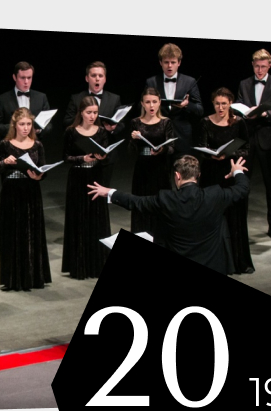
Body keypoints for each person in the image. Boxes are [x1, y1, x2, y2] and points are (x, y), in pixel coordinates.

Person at [88, 156, 250, 275]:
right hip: (213, 266)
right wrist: (237, 171)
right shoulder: (215, 195)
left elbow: (136, 202)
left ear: (177, 176)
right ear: (198, 175)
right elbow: (242, 189)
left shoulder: (166, 199)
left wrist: (110, 192)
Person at [0, 108, 51, 291]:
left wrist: (39, 176)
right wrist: (4, 162)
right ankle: (13, 279)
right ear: (14, 125)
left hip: (31, 192)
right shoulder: (5, 145)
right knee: (12, 234)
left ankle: (34, 277)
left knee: (32, 233)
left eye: (28, 124)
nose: (25, 128)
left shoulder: (37, 145)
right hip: (11, 193)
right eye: (22, 124)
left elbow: (43, 169)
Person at [198, 87, 254, 274]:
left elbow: (246, 148)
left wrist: (228, 154)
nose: (220, 107)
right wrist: (212, 155)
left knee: (234, 214)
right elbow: (201, 147)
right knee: (212, 214)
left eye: (224, 104)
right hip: (211, 173)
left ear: (230, 103)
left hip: (231, 171)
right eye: (217, 104)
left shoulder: (239, 122)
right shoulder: (205, 122)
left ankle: (239, 261)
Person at [236, 49, 271, 240]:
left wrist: (265, 113)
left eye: (263, 67)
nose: (259, 70)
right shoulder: (244, 84)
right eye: (257, 66)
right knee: (242, 182)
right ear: (252, 65)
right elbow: (238, 106)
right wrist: (243, 112)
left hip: (267, 140)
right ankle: (240, 225)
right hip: (247, 140)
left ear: (269, 66)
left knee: (270, 184)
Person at [62, 96, 111, 280]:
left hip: (96, 177)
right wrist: (82, 158)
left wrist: (102, 157)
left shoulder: (102, 132)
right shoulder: (71, 131)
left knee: (96, 218)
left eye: (95, 113)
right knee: (79, 218)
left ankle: (98, 265)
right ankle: (79, 265)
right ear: (81, 112)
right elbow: (65, 156)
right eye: (89, 112)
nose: (92, 116)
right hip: (78, 178)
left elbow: (106, 156)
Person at [64, 61, 125, 186]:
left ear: (105, 79)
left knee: (102, 189)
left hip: (105, 154)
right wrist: (83, 121)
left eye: (100, 76)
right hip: (82, 152)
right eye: (93, 75)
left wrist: (113, 128)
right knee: (82, 188)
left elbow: (122, 124)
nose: (97, 79)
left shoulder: (114, 99)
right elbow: (67, 121)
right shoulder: (76, 98)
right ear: (87, 78)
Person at [127, 87, 175, 236]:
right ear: (142, 104)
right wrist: (133, 140)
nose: (151, 105)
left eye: (154, 101)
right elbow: (131, 152)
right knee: (141, 204)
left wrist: (162, 150)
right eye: (148, 102)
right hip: (142, 169)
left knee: (161, 206)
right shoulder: (135, 122)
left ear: (159, 102)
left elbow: (172, 148)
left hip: (160, 169)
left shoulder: (166, 122)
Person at [145, 43, 203, 157]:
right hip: (158, 137)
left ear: (179, 63)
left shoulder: (189, 82)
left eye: (173, 62)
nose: (169, 66)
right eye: (166, 62)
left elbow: (200, 110)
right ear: (160, 63)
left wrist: (187, 105)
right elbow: (141, 108)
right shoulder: (151, 82)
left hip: (182, 137)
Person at [0, 62, 52, 138]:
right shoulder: (2, 99)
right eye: (22, 78)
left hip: (35, 143)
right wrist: (15, 128)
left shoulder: (41, 97)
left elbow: (49, 125)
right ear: (14, 77)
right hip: (11, 143)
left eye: (29, 78)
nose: (26, 82)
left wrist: (38, 130)